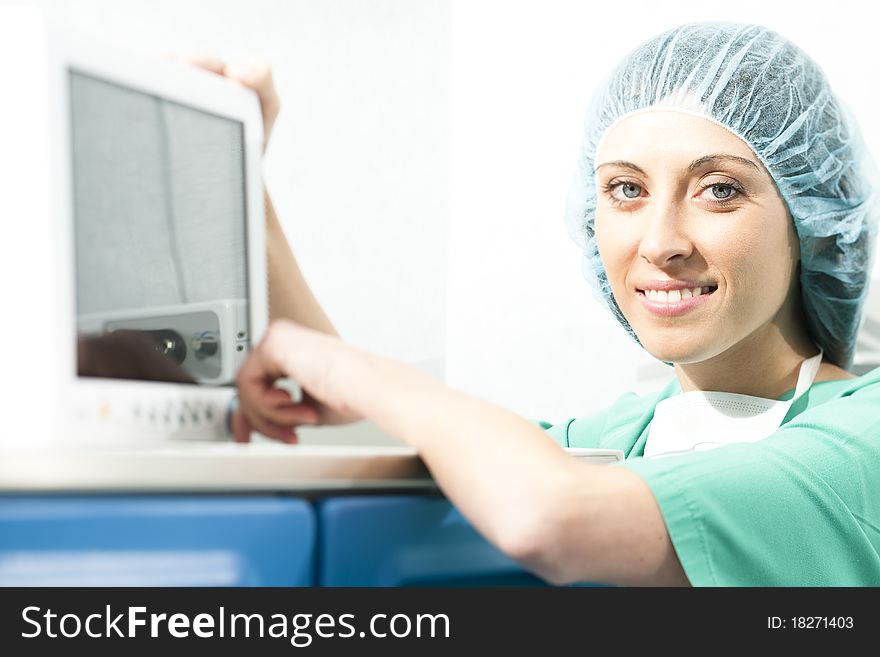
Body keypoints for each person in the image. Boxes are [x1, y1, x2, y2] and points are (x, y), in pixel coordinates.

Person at [203, 23, 880, 586]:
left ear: (813, 219)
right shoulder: (632, 434)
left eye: (720, 190)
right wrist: (243, 168)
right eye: (625, 190)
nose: (661, 241)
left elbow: (549, 515)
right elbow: (381, 444)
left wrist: (360, 373)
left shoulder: (864, 440)